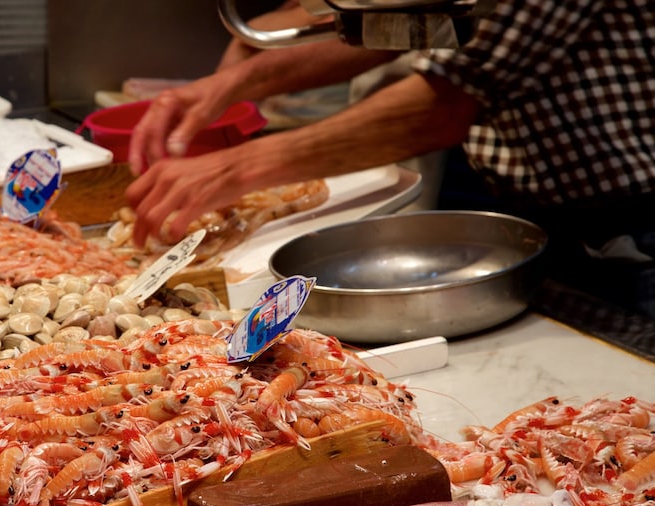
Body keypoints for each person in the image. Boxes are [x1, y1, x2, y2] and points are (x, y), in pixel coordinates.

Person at [124, 0, 655, 317]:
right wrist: (233, 82)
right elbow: (405, 27)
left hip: (623, 228)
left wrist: (238, 167)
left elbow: (445, 100)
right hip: (525, 210)